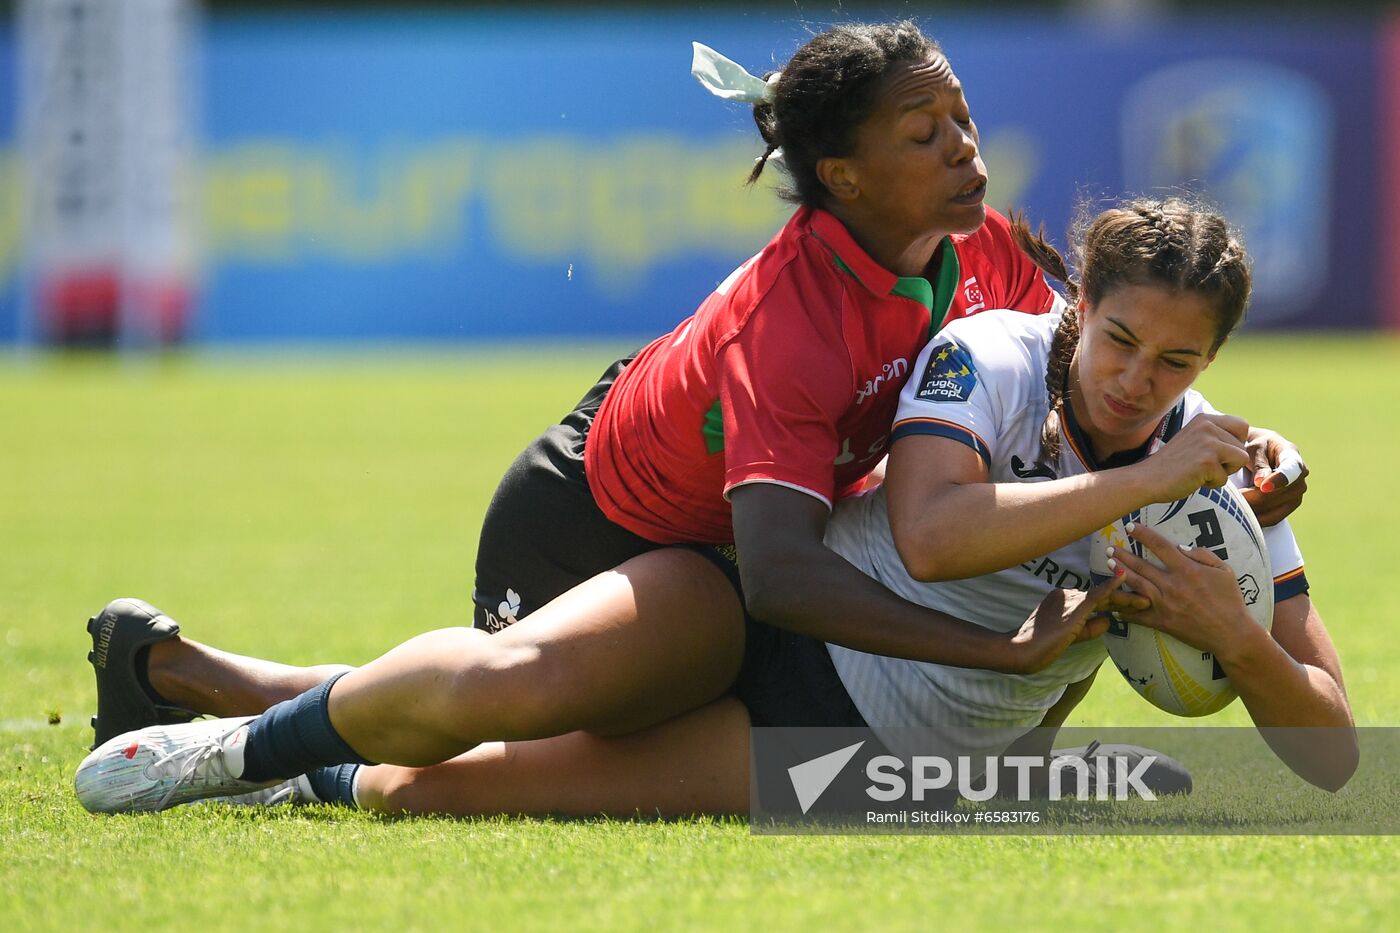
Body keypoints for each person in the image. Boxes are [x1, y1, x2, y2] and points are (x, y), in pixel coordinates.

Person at [76, 197, 1351, 816]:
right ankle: (221, 754)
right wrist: (1140, 480)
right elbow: (928, 533)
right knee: (502, 685)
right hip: (771, 619)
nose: (1138, 381)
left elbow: (1331, 755)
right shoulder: (995, 356)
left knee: (440, 792)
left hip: (883, 763)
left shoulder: (1219, 490)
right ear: (1082, 305)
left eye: (1177, 365)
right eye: (1121, 340)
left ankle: (199, 685)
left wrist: (1232, 634)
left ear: (1214, 366)